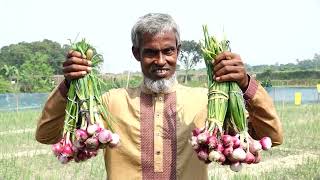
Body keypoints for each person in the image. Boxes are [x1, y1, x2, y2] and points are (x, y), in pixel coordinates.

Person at [36, 13, 283, 180]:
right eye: (150, 52)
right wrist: (69, 84)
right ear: (136, 54)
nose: (161, 61)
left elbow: (272, 137)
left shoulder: (206, 100)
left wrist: (245, 83)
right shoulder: (112, 102)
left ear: (178, 51)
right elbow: (47, 135)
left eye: (168, 51)